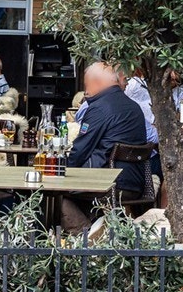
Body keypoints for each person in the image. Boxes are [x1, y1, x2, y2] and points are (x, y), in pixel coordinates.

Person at [62, 62, 152, 232]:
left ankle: (85, 236)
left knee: (51, 193)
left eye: (87, 85)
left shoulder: (99, 108)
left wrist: (61, 172)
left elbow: (80, 150)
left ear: (96, 82)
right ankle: (96, 229)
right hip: (136, 184)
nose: (86, 91)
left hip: (108, 183)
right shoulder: (133, 107)